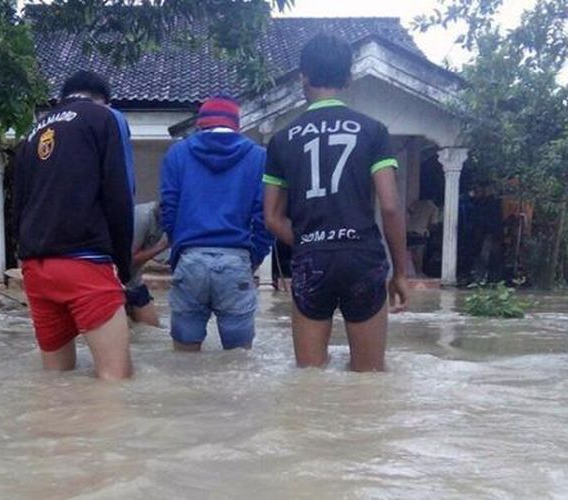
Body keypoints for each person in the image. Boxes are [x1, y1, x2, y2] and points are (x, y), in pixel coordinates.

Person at [263, 34, 409, 372]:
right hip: (363, 258)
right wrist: (400, 273)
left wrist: (312, 243)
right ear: (348, 78)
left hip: (311, 260)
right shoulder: (374, 131)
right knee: (369, 379)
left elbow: (271, 218)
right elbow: (389, 205)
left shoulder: (282, 140)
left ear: (303, 76)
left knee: (310, 379)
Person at [13, 70, 134, 379]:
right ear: (104, 100)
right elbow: (118, 195)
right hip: (84, 261)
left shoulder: (33, 132)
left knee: (57, 380)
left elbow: (18, 202)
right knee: (117, 381)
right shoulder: (103, 118)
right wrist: (123, 266)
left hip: (36, 268)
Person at [160, 96, 273, 351]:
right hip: (236, 260)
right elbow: (265, 217)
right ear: (237, 126)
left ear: (200, 124)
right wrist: (253, 257)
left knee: (183, 362)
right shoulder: (258, 157)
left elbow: (168, 210)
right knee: (239, 365)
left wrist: (179, 251)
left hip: (190, 259)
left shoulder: (178, 153)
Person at [126, 201, 168, 327]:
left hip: (134, 282)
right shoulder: (143, 216)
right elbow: (128, 259)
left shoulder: (167, 221)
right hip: (114, 285)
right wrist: (161, 247)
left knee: (154, 330)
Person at [407, 198, 440, 277]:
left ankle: (413, 273)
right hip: (420, 232)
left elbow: (409, 211)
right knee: (419, 254)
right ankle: (419, 273)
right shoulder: (434, 208)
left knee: (411, 253)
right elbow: (433, 224)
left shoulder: (415, 203)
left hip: (409, 231)